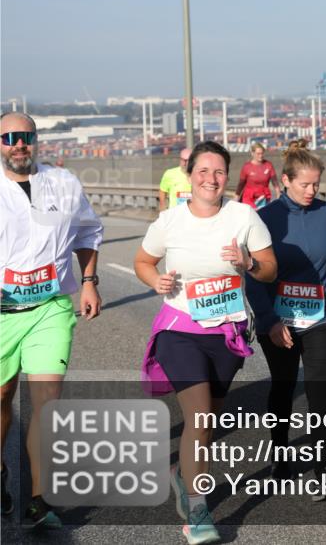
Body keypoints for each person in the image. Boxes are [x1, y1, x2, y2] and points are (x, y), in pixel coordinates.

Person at [134, 140, 276, 544]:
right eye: (203, 171)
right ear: (190, 175)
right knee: (198, 417)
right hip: (179, 330)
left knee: (208, 422)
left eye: (218, 172)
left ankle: (183, 475)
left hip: (226, 333)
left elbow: (269, 270)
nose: (211, 179)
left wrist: (247, 263)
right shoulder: (170, 221)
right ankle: (198, 510)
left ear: (227, 176)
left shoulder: (243, 215)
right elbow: (143, 261)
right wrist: (154, 280)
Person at [0, 112, 103, 529]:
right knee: (3, 396)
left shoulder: (64, 182)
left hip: (51, 308)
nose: (19, 144)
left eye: (26, 136)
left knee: (46, 403)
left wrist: (90, 281)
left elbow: (88, 234)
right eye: (9, 137)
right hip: (3, 313)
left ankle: (41, 501)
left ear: (36, 140)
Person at [246, 139, 326, 498]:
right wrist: (268, 321)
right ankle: (280, 452)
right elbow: (254, 275)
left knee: (320, 390)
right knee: (282, 386)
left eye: (316, 185)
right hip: (279, 318)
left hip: (323, 314)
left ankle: (324, 469)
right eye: (304, 184)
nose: (311, 191)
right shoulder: (264, 219)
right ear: (285, 181)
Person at [236, 142, 279, 209]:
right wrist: (237, 197)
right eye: (258, 154)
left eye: (262, 153)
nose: (261, 156)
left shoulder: (268, 165)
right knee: (252, 217)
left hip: (264, 197)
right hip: (249, 198)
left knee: (263, 217)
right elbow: (241, 184)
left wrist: (278, 195)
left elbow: (275, 182)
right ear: (252, 153)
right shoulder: (246, 167)